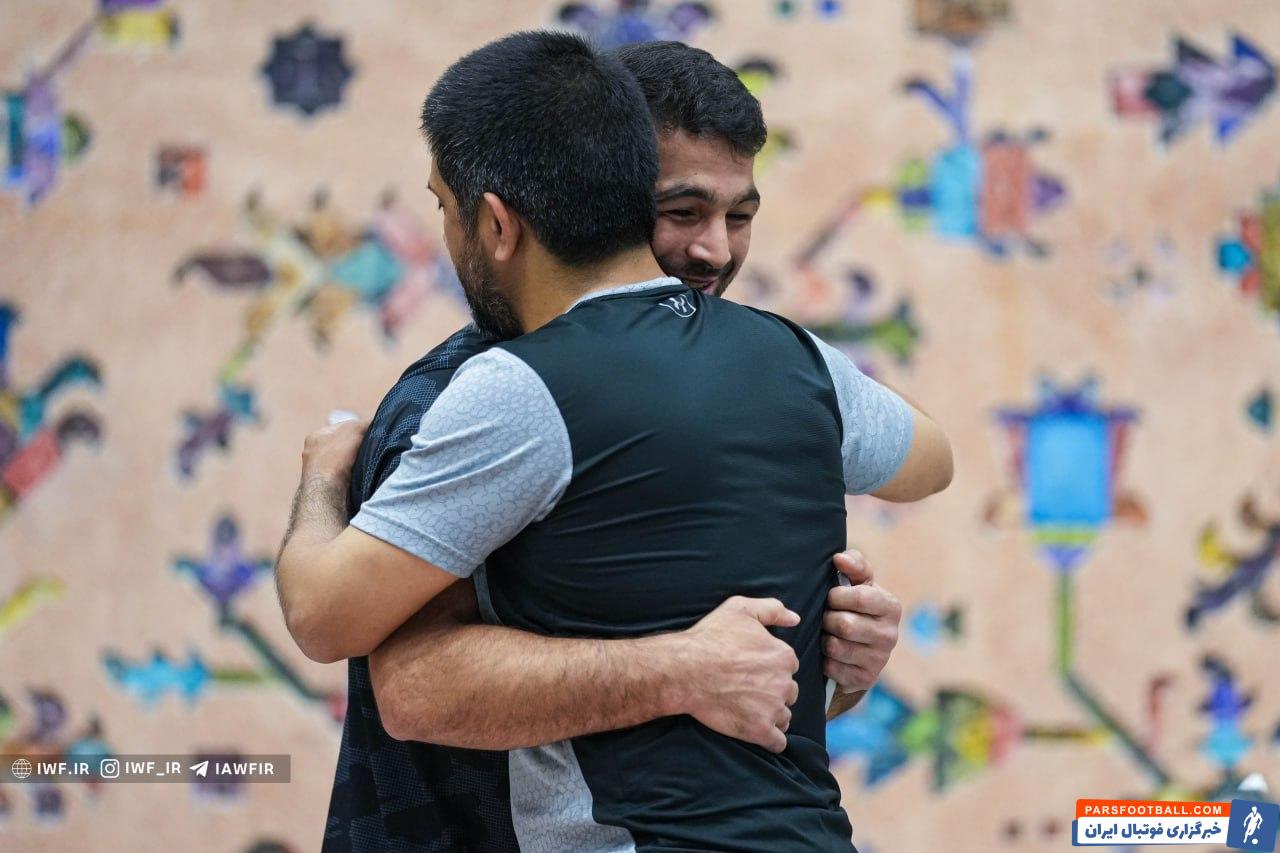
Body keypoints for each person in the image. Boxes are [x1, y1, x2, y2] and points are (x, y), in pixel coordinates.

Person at [277, 32, 951, 851]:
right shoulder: (786, 360)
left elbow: (325, 619)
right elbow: (418, 688)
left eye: (739, 216)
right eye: (682, 211)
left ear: (496, 221)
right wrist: (683, 667)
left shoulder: (735, 365)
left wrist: (828, 662)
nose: (714, 249)